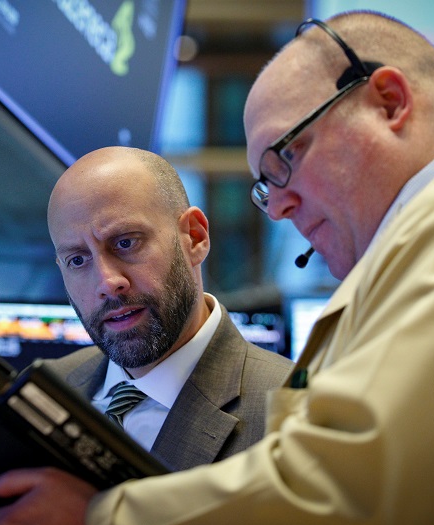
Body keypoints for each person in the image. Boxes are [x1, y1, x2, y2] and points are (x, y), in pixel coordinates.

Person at [0, 11, 434, 525]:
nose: (277, 206)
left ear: (389, 102)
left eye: (285, 160)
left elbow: (363, 492)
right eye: (264, 184)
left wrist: (103, 519)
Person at [42, 145, 293, 471]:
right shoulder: (46, 388)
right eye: (78, 260)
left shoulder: (295, 416)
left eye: (125, 243)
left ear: (194, 236)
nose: (107, 282)